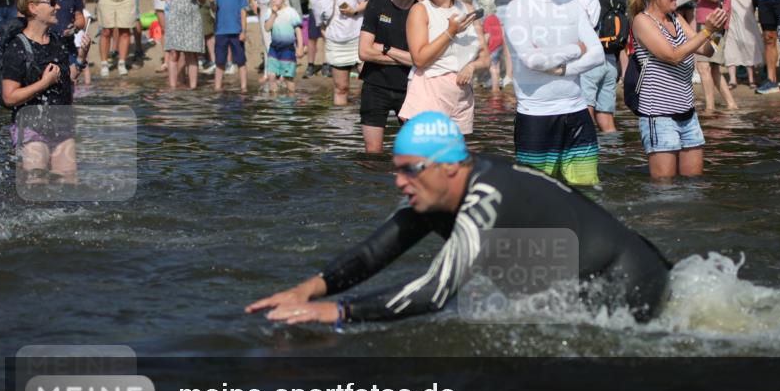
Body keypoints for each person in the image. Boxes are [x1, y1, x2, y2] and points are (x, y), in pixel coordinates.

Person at [247, 110, 674, 325]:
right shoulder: (435, 192)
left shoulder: (484, 195)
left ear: (449, 166)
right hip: (579, 282)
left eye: (408, 170)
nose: (399, 181)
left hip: (627, 279)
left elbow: (435, 290)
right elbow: (378, 249)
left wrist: (335, 313)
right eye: (397, 170)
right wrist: (306, 290)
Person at [503, 0, 604, 185]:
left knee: (587, 189)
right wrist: (574, 50)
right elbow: (531, 59)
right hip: (536, 114)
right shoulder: (518, 8)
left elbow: (597, 54)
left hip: (576, 110)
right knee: (536, 192)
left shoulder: (572, 4)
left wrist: (564, 69)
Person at [628, 0, 727, 179]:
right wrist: (707, 31)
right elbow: (672, 55)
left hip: (687, 113)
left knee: (694, 184)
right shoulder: (642, 21)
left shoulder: (676, 18)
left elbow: (706, 50)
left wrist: (717, 30)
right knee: (665, 189)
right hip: (659, 115)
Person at [0, 0, 90, 184]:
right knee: (36, 182)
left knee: (68, 184)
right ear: (33, 8)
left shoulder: (56, 41)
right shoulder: (16, 48)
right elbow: (9, 97)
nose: (57, 7)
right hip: (31, 127)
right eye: (51, 2)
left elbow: (67, 79)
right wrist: (43, 83)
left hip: (61, 125)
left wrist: (81, 59)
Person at [400, 0, 487, 133]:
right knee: (428, 156)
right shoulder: (420, 10)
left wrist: (471, 67)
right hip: (430, 89)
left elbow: (485, 58)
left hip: (462, 95)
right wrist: (450, 32)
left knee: (454, 158)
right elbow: (420, 59)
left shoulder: (468, 9)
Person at [358, 0, 420, 152]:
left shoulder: (419, 11)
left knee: (412, 151)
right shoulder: (377, 4)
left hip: (408, 88)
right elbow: (364, 52)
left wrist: (385, 48)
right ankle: (375, 182)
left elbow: (419, 59)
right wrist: (405, 58)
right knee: (373, 152)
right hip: (375, 86)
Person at [680, 0, 736, 113]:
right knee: (713, 68)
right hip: (707, 24)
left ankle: (710, 108)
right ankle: (731, 104)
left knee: (704, 66)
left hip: (716, 25)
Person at [563, 0, 618, 133]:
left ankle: (587, 148)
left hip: (589, 60)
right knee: (607, 118)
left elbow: (576, 24)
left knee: (585, 109)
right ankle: (613, 152)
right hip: (610, 59)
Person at [307, 0, 368, 104]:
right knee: (341, 88)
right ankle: (341, 123)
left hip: (357, 39)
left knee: (371, 82)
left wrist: (354, 10)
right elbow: (321, 25)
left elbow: (367, 1)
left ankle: (369, 116)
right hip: (336, 44)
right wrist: (328, 38)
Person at [160, 0, 207, 89]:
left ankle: (193, 87)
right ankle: (173, 87)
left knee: (191, 52)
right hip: (175, 13)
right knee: (174, 51)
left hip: (192, 13)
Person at [210, 0, 249, 92]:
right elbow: (213, 10)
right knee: (220, 61)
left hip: (236, 31)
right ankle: (217, 87)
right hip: (220, 32)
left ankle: (244, 87)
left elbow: (243, 13)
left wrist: (243, 31)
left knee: (241, 61)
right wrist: (211, 1)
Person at [260, 0, 304, 94]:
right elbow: (267, 28)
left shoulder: (291, 12)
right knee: (271, 75)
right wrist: (273, 15)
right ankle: (274, 100)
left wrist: (300, 47)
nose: (273, 1)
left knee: (288, 77)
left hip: (288, 49)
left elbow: (298, 31)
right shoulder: (270, 12)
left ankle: (291, 98)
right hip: (274, 49)